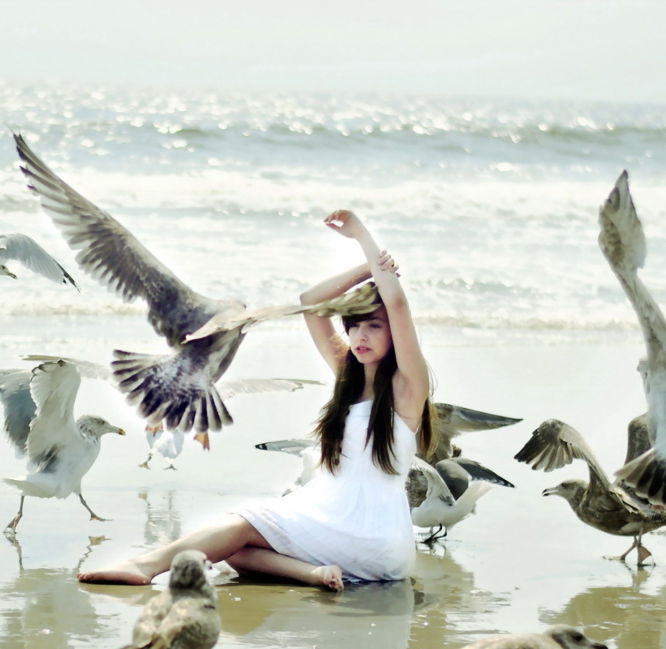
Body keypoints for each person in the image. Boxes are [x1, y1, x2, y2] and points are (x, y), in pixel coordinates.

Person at [78, 209, 432, 589]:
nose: (360, 336)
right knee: (230, 545)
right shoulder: (348, 376)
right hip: (331, 517)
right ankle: (313, 574)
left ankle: (145, 566)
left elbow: (396, 304)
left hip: (371, 535)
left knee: (238, 527)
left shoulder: (407, 387)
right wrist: (366, 269)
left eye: (374, 326)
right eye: (354, 325)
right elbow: (310, 301)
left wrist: (363, 236)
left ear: (394, 334)